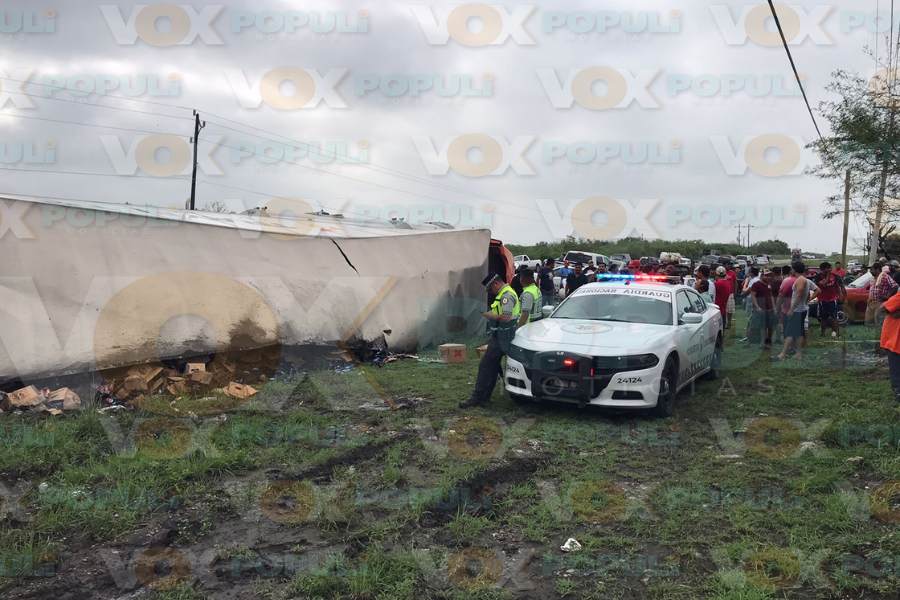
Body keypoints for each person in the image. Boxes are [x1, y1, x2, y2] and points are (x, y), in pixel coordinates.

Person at [460, 274, 520, 408]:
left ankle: (477, 397)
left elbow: (505, 317)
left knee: (486, 367)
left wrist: (488, 314)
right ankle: (484, 398)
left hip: (503, 337)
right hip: (501, 336)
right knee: (492, 367)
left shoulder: (506, 296)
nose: (491, 292)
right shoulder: (507, 293)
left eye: (490, 289)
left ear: (496, 284)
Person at [778, 261, 815, 360]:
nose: (791, 270)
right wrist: (807, 299)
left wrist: (792, 309)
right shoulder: (805, 280)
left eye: (792, 268)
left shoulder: (800, 280)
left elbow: (799, 294)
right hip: (802, 309)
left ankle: (783, 354)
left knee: (790, 332)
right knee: (799, 332)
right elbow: (813, 292)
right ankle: (798, 354)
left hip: (797, 310)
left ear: (794, 269)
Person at [879, 288, 900, 403]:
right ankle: (898, 392)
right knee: (896, 368)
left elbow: (884, 308)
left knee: (896, 368)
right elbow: (884, 308)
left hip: (895, 339)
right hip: (894, 338)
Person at [815, 262, 844, 338]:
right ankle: (822, 334)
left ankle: (836, 333)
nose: (830, 270)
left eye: (830, 268)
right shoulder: (818, 277)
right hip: (822, 300)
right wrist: (828, 275)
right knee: (823, 318)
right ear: (822, 269)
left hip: (832, 299)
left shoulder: (835, 276)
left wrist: (840, 295)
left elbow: (839, 286)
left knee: (834, 317)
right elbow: (824, 284)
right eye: (828, 268)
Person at [750, 270, 775, 347]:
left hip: (770, 308)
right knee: (763, 326)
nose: (768, 277)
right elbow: (753, 296)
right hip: (761, 308)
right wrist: (757, 306)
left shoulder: (769, 284)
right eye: (766, 275)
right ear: (762, 276)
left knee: (770, 326)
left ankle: (769, 340)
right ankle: (762, 342)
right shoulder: (756, 284)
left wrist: (774, 306)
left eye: (769, 276)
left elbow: (771, 296)